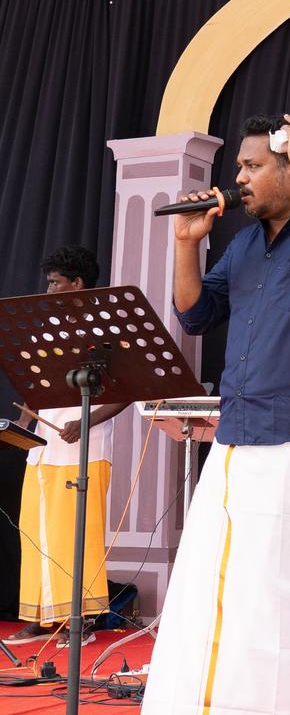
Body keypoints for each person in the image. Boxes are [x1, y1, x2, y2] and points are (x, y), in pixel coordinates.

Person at [140, 113, 290, 715]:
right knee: (212, 593)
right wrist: (186, 243)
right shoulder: (241, 245)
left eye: (252, 166)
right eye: (237, 166)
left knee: (283, 608)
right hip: (236, 439)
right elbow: (193, 314)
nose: (238, 178)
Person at [2, 246, 129, 649]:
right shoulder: (47, 324)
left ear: (77, 283)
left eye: (56, 281)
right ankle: (41, 619)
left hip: (84, 449)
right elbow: (36, 385)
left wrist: (86, 420)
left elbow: (129, 389)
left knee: (77, 536)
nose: (49, 288)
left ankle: (83, 620)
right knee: (36, 532)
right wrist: (22, 425)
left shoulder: (104, 324)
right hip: (43, 447)